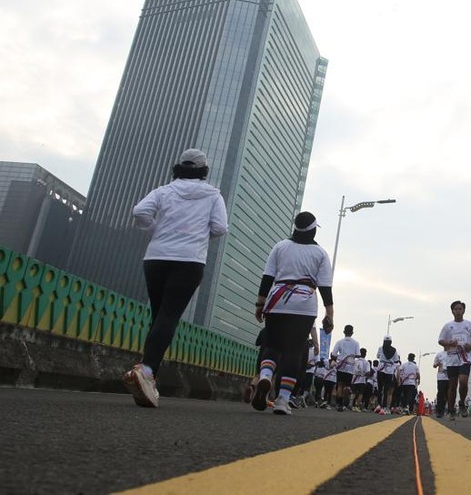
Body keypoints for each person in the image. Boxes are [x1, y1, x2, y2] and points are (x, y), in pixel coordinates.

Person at [123, 148, 228, 408]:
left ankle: (149, 375)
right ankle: (146, 371)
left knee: (159, 316)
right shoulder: (213, 195)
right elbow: (220, 227)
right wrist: (199, 236)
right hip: (189, 260)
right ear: (204, 170)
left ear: (178, 167)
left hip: (156, 258)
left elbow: (139, 212)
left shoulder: (163, 191)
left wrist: (155, 230)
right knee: (169, 316)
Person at [249, 211, 334, 416]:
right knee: (294, 352)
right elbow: (325, 287)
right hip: (303, 304)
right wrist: (329, 313)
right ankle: (283, 400)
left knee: (272, 345)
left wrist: (260, 304)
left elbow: (267, 277)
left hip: (277, 299)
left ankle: (266, 375)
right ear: (313, 230)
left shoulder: (280, 246)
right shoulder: (320, 253)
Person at [438, 300, 471, 420]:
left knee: (463, 382)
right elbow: (440, 340)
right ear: (452, 311)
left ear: (464, 310)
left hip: (465, 358)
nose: (458, 311)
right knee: (452, 385)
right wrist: (449, 343)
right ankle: (451, 410)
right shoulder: (447, 326)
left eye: (460, 309)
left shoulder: (469, 324)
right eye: (456, 309)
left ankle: (462, 403)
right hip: (452, 359)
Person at [331, 324, 361, 411]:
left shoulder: (339, 342)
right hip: (350, 368)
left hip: (341, 367)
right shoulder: (356, 343)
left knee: (339, 385)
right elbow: (358, 355)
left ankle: (339, 404)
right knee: (347, 386)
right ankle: (345, 401)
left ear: (344, 332)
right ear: (352, 333)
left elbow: (334, 354)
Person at [376, 335, 400, 412]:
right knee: (386, 389)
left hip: (381, 368)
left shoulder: (380, 348)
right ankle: (384, 406)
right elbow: (396, 360)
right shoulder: (394, 350)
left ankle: (379, 405)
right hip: (389, 370)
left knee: (380, 388)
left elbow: (377, 356)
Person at [432, 346, 449, 418]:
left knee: (448, 394)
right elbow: (434, 365)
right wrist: (438, 364)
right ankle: (440, 411)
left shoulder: (453, 354)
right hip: (441, 377)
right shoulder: (439, 354)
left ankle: (449, 411)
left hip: (450, 377)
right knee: (440, 393)